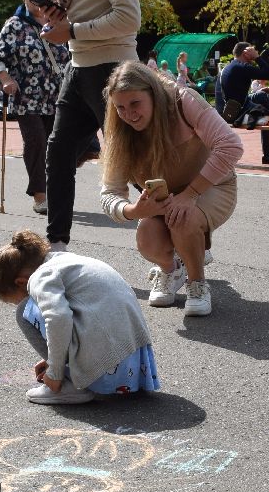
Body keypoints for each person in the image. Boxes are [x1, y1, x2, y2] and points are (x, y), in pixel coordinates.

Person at [39, 0, 142, 250]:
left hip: (113, 68)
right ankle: (57, 247)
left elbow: (129, 16)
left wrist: (74, 30)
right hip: (80, 64)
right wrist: (59, 15)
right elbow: (86, 5)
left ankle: (186, 236)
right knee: (59, 150)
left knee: (135, 162)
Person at [99, 61, 243, 317]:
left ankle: (197, 284)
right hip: (165, 200)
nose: (129, 114)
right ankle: (171, 269)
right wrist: (134, 210)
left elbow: (230, 145)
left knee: (182, 218)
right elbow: (110, 194)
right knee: (146, 237)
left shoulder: (182, 101)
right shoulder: (119, 129)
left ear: (153, 94)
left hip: (212, 187)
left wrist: (190, 195)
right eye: (120, 107)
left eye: (135, 104)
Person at [0, 229, 160, 406]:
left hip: (106, 362)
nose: (19, 301)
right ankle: (72, 368)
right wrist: (52, 358)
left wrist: (55, 371)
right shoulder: (65, 260)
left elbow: (58, 318)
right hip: (135, 360)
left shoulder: (40, 277)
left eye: (14, 299)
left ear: (21, 282)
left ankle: (69, 387)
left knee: (24, 312)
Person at [0, 0, 72, 214]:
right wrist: (6, 79)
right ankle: (40, 195)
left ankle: (54, 188)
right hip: (27, 97)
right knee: (36, 141)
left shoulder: (59, 22)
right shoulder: (15, 25)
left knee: (57, 146)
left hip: (56, 97)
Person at [216, 41, 269, 166]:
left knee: (262, 96)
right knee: (265, 104)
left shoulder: (229, 67)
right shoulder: (241, 67)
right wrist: (257, 57)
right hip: (236, 113)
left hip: (227, 109)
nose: (255, 52)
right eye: (253, 50)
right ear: (246, 53)